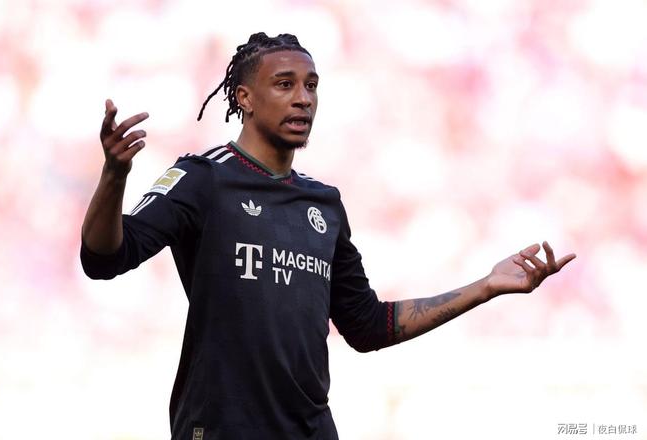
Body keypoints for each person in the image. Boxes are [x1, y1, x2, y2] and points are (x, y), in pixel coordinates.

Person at [80, 32, 576, 440]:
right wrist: (114, 175)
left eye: (311, 85)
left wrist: (485, 287)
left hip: (312, 430)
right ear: (244, 98)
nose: (303, 98)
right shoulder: (203, 178)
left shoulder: (324, 203)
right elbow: (103, 258)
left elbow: (368, 326)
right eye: (285, 84)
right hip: (223, 428)